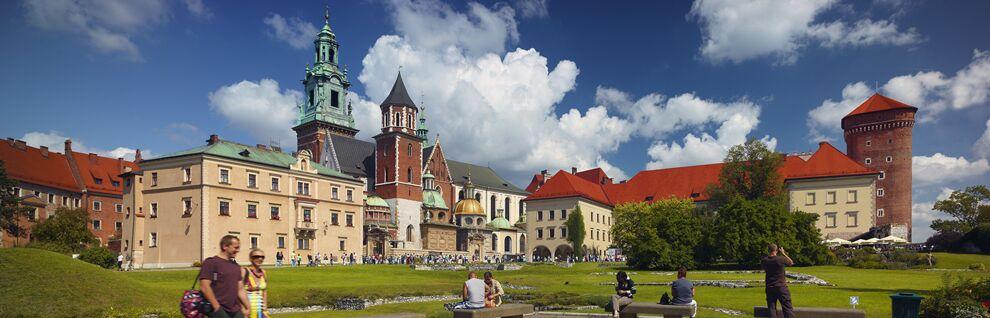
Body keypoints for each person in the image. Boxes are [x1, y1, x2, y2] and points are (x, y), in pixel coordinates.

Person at [198, 235, 250, 318]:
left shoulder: (236, 266)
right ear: (225, 246)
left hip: (235, 310)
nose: (238, 250)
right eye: (235, 247)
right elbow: (204, 287)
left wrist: (248, 307)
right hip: (219, 310)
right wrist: (216, 307)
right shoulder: (211, 263)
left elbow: (240, 289)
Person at [763, 243, 795, 318]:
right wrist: (784, 253)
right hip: (781, 286)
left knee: (772, 308)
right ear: (776, 250)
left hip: (770, 286)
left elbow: (765, 269)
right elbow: (791, 262)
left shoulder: (765, 260)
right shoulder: (780, 259)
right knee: (787, 307)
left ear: (768, 250)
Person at [243, 249, 270, 318]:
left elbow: (264, 291)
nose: (260, 259)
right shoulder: (244, 271)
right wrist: (243, 309)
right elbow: (237, 291)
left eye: (262, 257)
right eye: (256, 256)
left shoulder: (263, 272)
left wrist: (265, 308)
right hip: (248, 311)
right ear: (250, 258)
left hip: (261, 311)